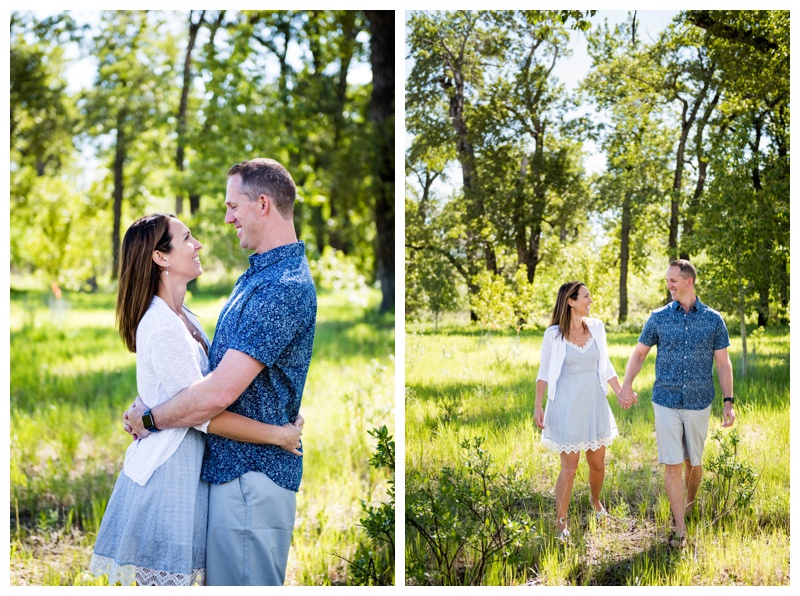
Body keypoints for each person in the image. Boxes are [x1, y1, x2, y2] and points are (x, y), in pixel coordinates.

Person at [124, 158, 317, 586]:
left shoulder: (280, 288)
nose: (227, 217)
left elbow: (216, 394)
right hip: (232, 472)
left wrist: (152, 417)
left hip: (252, 474)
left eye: (233, 206)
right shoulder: (256, 277)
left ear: (262, 204)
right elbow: (196, 373)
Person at [618, 259, 734, 548]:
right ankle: (680, 528)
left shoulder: (712, 319)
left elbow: (723, 363)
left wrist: (728, 401)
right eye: (667, 280)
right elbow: (639, 354)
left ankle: (689, 504)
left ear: (688, 281)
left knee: (692, 463)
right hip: (666, 399)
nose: (668, 285)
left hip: (699, 401)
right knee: (672, 465)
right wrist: (627, 383)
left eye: (673, 280)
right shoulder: (658, 317)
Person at [534, 281, 630, 541]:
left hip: (594, 402)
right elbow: (543, 372)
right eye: (586, 296)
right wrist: (538, 404)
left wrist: (621, 391)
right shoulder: (553, 334)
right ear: (570, 301)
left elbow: (606, 365)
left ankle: (596, 502)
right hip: (565, 403)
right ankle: (561, 522)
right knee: (570, 467)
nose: (591, 301)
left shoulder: (596, 327)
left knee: (597, 463)